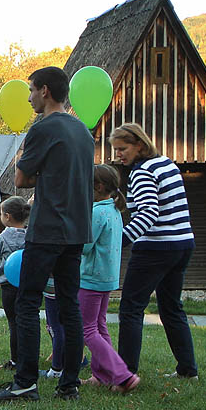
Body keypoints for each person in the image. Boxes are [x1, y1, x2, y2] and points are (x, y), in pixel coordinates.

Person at [0, 67, 93, 402]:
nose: (29, 97)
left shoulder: (42, 128)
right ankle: (69, 385)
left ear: (45, 91)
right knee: (70, 306)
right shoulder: (83, 130)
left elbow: (20, 179)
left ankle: (25, 383)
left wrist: (42, 174)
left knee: (28, 303)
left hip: (46, 229)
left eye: (31, 90)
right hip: (77, 229)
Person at [109, 122, 198, 380]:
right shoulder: (166, 164)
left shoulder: (142, 172)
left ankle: (126, 373)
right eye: (116, 150)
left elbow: (149, 212)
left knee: (131, 308)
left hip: (155, 247)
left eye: (122, 149)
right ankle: (187, 369)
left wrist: (120, 241)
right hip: (183, 244)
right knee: (171, 307)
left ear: (139, 144)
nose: (119, 155)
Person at [79, 165, 139, 393]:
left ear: (98, 186)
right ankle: (102, 375)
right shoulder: (114, 210)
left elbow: (85, 247)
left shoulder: (96, 213)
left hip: (91, 278)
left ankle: (123, 376)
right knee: (99, 325)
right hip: (107, 278)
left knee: (87, 330)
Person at [0, 196, 29, 370]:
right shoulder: (30, 235)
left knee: (13, 323)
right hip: (27, 285)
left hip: (8, 286)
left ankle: (15, 360)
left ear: (7, 216)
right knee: (27, 321)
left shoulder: (2, 238)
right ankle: (29, 357)